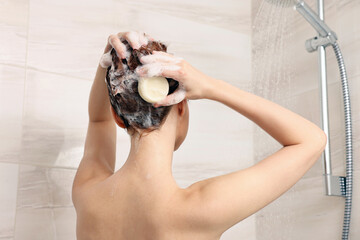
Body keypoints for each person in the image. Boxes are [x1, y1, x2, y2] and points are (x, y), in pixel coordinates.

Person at [71, 31, 327, 240]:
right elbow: (311, 140)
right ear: (181, 105)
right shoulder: (200, 210)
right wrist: (210, 86)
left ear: (118, 117)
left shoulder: (88, 195)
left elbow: (97, 120)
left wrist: (109, 63)